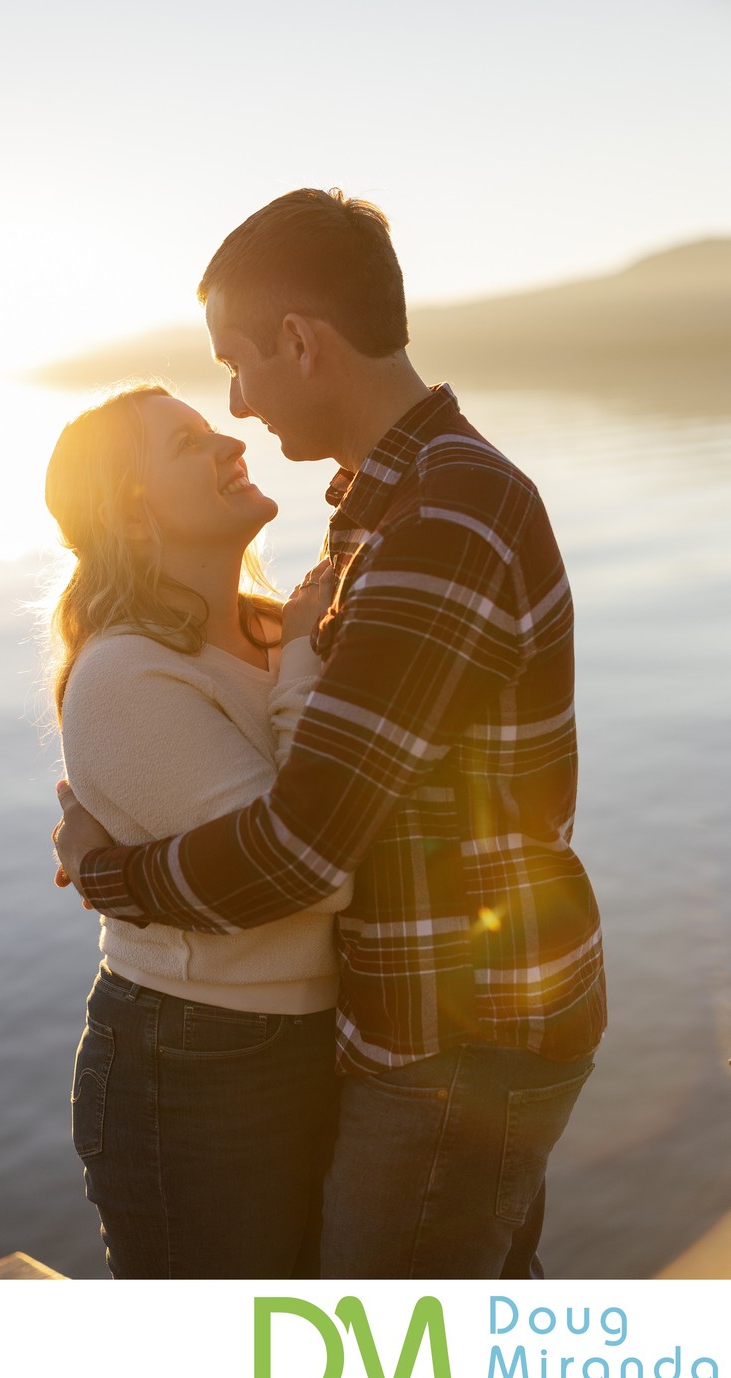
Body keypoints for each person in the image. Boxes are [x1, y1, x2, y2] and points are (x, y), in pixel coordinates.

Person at [55, 189, 607, 1279]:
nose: (237, 403)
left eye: (238, 365)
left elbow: (302, 852)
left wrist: (114, 875)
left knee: (375, 1359)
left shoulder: (440, 521)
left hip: (460, 1025)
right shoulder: (384, 512)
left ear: (299, 342)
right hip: (431, 1016)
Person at [45, 381, 351, 1278]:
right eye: (188, 445)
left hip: (311, 1038)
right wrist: (301, 657)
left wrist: (296, 646)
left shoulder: (277, 629)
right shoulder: (125, 675)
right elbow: (309, 873)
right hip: (193, 1062)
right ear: (132, 517)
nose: (231, 441)